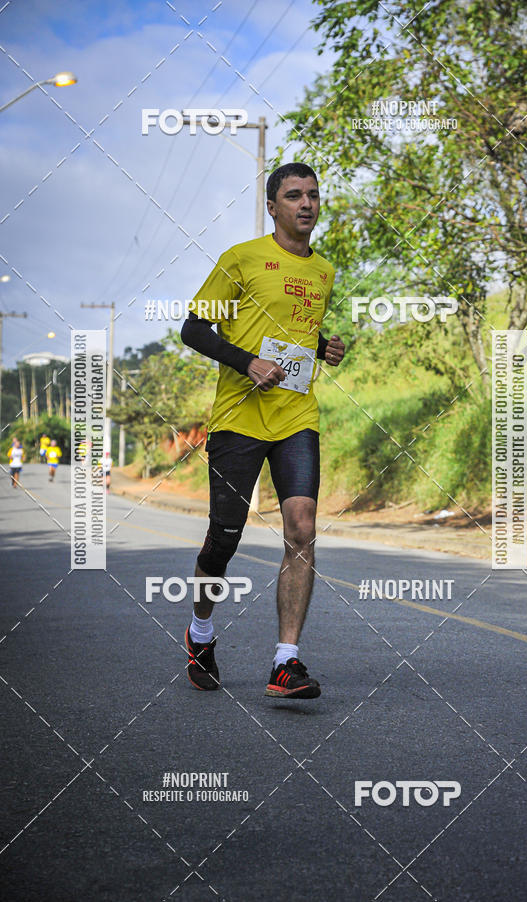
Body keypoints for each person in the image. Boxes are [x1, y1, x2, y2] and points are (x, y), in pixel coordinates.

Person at [181, 162, 345, 698]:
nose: (306, 203)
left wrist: (324, 347)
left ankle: (286, 661)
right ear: (272, 206)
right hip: (239, 417)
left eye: (313, 196)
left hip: (297, 415)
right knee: (223, 540)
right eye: (294, 195)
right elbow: (193, 328)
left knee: (302, 526)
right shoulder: (241, 260)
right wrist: (247, 361)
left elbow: (295, 333)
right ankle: (201, 630)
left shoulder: (324, 272)